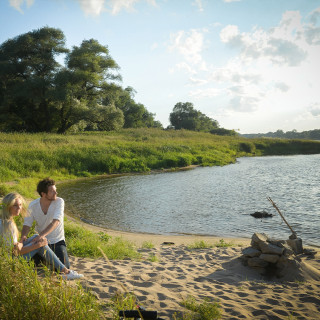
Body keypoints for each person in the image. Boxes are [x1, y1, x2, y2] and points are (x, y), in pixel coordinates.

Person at [0, 192, 83, 280]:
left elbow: (12, 246)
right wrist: (37, 245)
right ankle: (66, 272)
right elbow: (16, 252)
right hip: (11, 261)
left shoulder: (3, 220)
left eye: (20, 205)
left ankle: (63, 269)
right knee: (40, 245)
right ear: (8, 206)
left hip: (7, 256)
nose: (19, 208)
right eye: (15, 205)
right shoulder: (9, 225)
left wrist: (20, 243)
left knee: (36, 236)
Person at [21, 178, 70, 269]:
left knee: (64, 267)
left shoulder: (59, 202)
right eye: (52, 191)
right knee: (28, 264)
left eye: (56, 190)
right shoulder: (33, 205)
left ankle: (48, 259)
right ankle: (46, 259)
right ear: (43, 194)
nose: (56, 193)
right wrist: (23, 236)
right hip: (41, 242)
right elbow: (27, 224)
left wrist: (41, 235)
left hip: (57, 241)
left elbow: (56, 221)